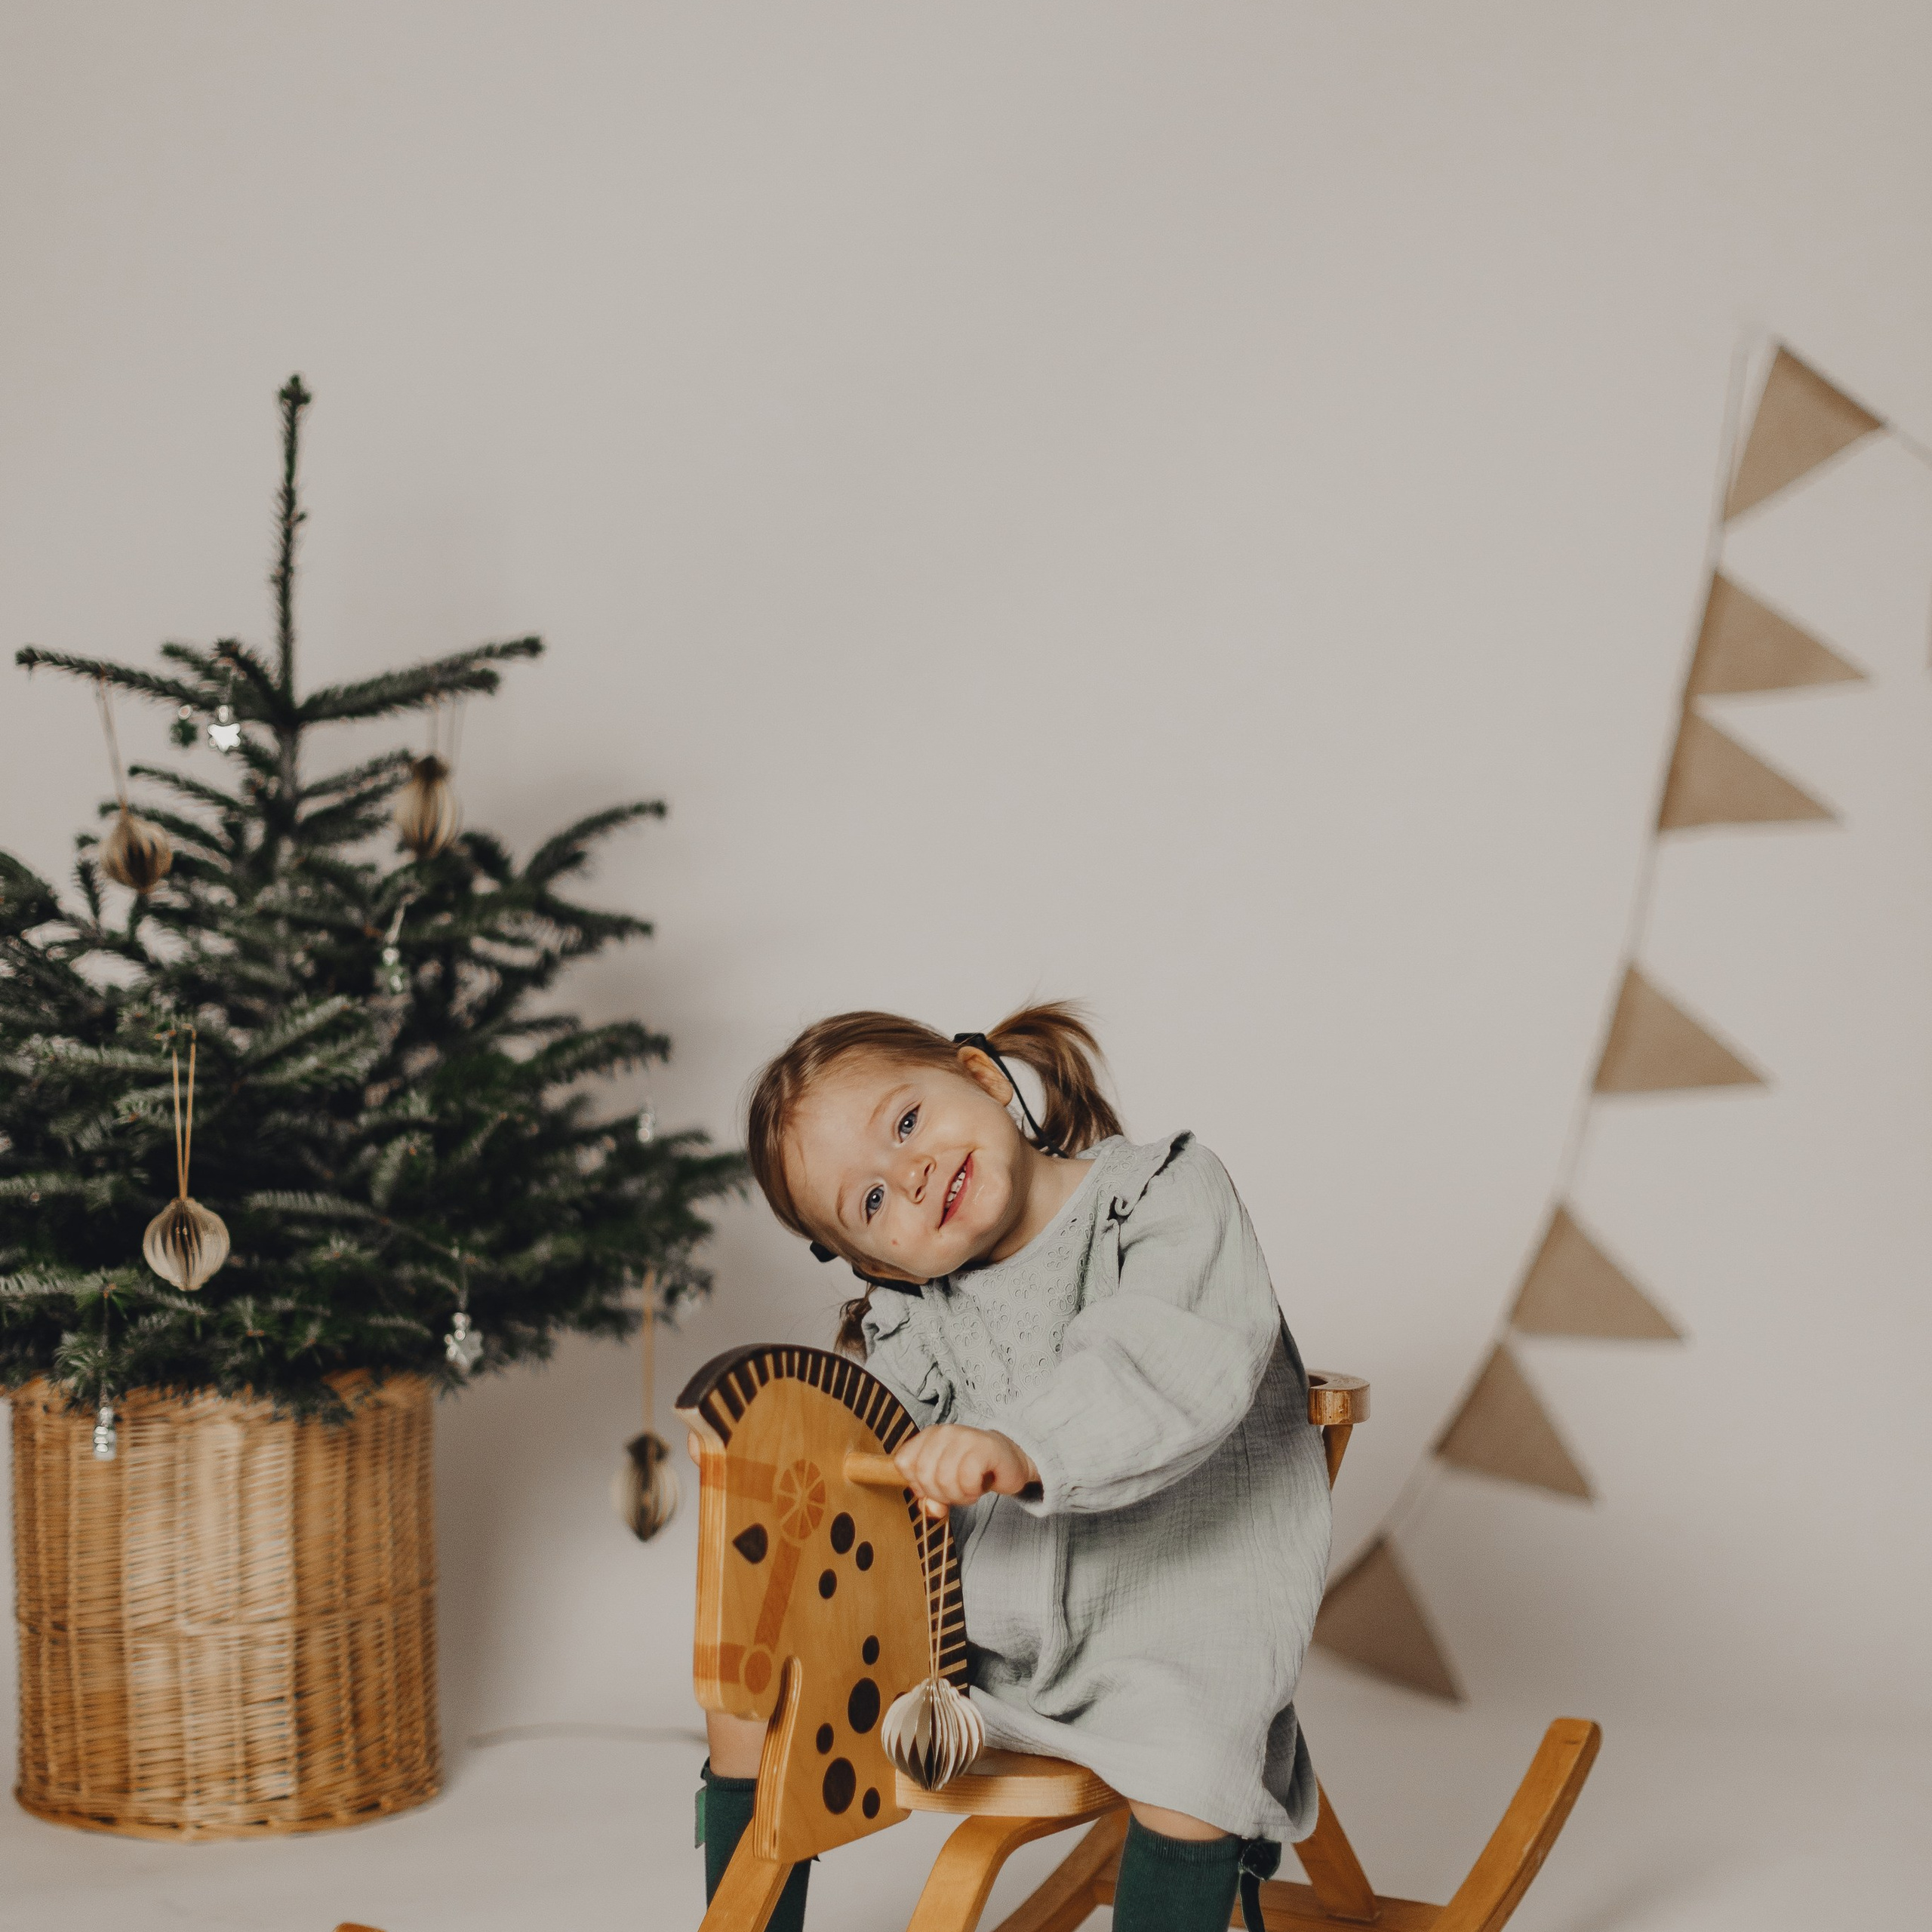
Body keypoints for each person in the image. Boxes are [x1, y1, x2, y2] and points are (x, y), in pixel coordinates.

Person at [696, 1001, 1332, 1932]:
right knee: (754, 1695)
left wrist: (1018, 1445)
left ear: (983, 1077)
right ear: (882, 1266)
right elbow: (874, 1480)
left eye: (906, 1123)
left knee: (1191, 1759)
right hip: (978, 1657)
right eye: (871, 1203)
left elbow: (1162, 1356)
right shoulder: (918, 1320)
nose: (909, 1176)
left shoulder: (1160, 1199)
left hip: (1174, 1622)